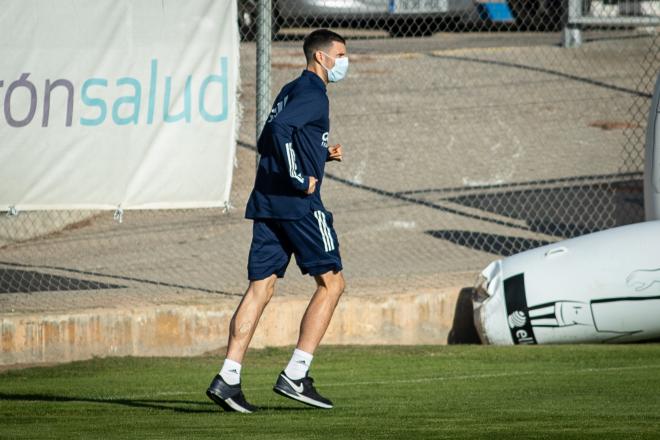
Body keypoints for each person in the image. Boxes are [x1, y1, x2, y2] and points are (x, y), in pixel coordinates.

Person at [205, 29, 349, 414]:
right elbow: (282, 131)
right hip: (298, 206)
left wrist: (319, 156)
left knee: (260, 287)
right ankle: (296, 374)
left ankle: (228, 377)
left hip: (268, 202)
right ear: (321, 58)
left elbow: (273, 135)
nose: (344, 62)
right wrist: (300, 178)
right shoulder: (313, 93)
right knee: (333, 284)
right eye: (340, 54)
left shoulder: (290, 89)